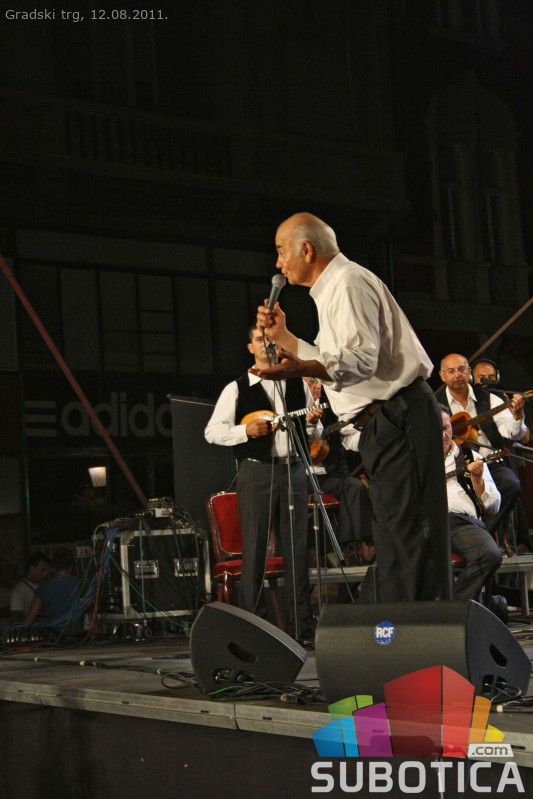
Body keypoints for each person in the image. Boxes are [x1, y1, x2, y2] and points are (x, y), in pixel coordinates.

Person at [253, 212, 451, 603]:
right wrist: (287, 339)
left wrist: (302, 368)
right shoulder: (334, 289)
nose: (278, 263)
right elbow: (341, 359)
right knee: (393, 537)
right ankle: (404, 626)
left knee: (410, 535)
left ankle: (427, 628)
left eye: (281, 251)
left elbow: (360, 359)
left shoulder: (348, 282)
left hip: (399, 415)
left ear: (306, 250)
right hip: (385, 421)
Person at [205, 325, 321, 642]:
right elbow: (212, 431)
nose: (266, 344)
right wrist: (244, 432)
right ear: (250, 347)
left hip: (293, 469)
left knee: (297, 550)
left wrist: (314, 424)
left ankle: (300, 626)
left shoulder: (296, 384)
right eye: (259, 339)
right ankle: (255, 626)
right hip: (256, 472)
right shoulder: (237, 388)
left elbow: (313, 433)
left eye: (270, 339)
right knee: (255, 549)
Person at [439, 353, 526, 539]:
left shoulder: (490, 398)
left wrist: (517, 416)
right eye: (451, 371)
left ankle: (482, 533)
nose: (457, 375)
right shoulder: (435, 404)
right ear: (442, 376)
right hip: (454, 467)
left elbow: (512, 432)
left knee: (511, 484)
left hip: (490, 463)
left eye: (462, 369)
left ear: (469, 372)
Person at [441, 406, 502, 601]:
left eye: (446, 428)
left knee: (489, 553)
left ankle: (454, 608)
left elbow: (494, 506)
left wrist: (478, 480)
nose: (443, 435)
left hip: (462, 524)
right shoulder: (416, 460)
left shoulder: (471, 457)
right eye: (436, 430)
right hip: (428, 524)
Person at [25, 548, 80, 625]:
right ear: (71, 565)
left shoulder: (43, 587)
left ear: (54, 566)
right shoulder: (80, 583)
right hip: (76, 631)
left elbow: (28, 619)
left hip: (53, 631)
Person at [9, 551, 51, 622]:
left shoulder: (45, 585)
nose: (45, 574)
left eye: (46, 571)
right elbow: (15, 619)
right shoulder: (19, 590)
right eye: (42, 570)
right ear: (31, 568)